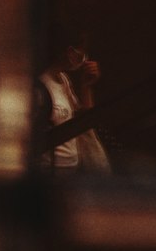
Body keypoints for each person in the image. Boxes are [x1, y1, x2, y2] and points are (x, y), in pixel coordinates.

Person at [35, 25, 110, 172]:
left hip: (72, 168)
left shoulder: (63, 79)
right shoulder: (42, 86)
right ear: (70, 52)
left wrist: (86, 86)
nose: (85, 58)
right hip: (51, 170)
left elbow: (85, 120)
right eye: (82, 52)